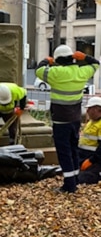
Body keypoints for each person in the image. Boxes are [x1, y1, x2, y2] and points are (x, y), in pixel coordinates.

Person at [36, 44, 100, 193]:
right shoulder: (80, 71)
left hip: (60, 121)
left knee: (64, 153)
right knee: (73, 150)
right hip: (75, 119)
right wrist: (84, 57)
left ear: (57, 60)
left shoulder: (55, 72)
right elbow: (95, 64)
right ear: (72, 57)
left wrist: (47, 60)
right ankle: (75, 180)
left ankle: (69, 185)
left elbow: (39, 69)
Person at [0, 82, 27, 149]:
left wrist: (21, 108)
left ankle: (14, 144)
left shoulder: (15, 91)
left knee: (13, 127)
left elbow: (24, 94)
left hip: (9, 110)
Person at [78, 96, 101, 185]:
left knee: (82, 179)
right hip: (83, 156)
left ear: (97, 109)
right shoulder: (91, 122)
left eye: (90, 108)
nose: (87, 111)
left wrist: (91, 161)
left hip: (94, 159)